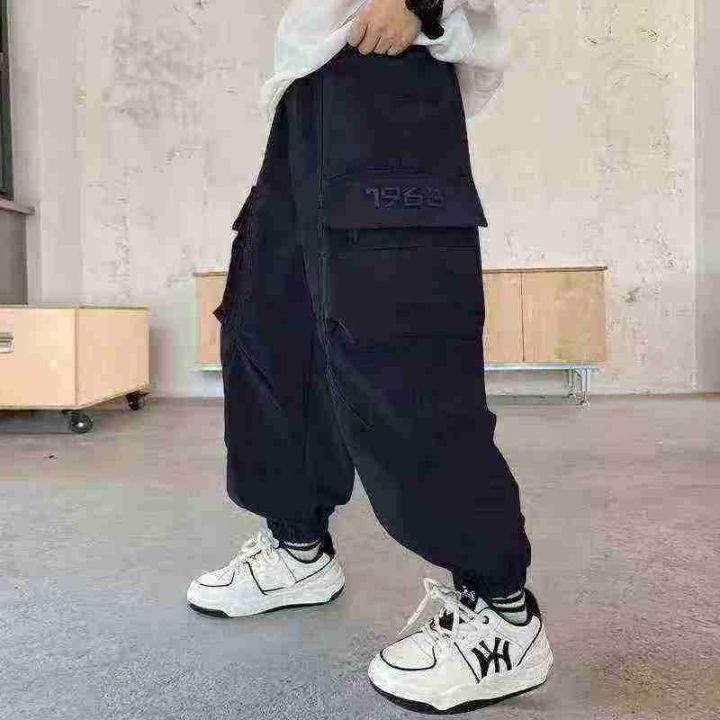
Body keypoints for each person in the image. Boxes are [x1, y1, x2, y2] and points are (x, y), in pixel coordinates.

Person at [187, 0, 553, 712]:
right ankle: (298, 548)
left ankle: (502, 616)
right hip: (307, 85)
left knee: (403, 352)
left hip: (389, 68)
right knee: (273, 330)